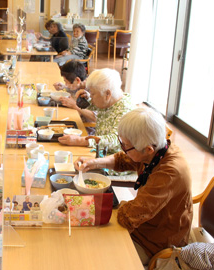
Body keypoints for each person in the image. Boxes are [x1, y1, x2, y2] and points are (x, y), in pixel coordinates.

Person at [75, 107, 193, 265]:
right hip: (143, 223)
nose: (123, 149)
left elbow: (130, 217)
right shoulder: (158, 150)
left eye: (126, 146)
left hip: (156, 240)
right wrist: (93, 163)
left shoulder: (169, 173)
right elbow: (123, 160)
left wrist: (105, 208)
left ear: (148, 149)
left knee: (96, 254)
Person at [58, 68, 135, 153]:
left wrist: (80, 141)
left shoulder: (125, 110)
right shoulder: (111, 99)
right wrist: (87, 99)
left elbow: (115, 140)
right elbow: (97, 105)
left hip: (111, 158)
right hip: (98, 150)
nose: (91, 97)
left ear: (108, 94)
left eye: (93, 94)